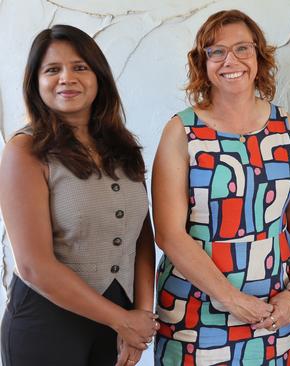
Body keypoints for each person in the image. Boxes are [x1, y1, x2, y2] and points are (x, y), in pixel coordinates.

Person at [152, 9, 290, 365]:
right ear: (202, 63)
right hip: (195, 316)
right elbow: (169, 234)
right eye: (216, 51)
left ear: (258, 56)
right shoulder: (182, 131)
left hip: (274, 313)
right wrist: (230, 298)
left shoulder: (285, 126)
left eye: (242, 48)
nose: (231, 60)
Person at [0, 25, 158, 366]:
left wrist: (141, 316)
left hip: (117, 323)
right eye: (52, 69)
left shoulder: (124, 146)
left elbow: (143, 236)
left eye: (80, 67)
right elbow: (32, 265)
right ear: (36, 82)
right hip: (46, 327)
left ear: (98, 76)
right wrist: (122, 320)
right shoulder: (24, 150)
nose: (66, 78)